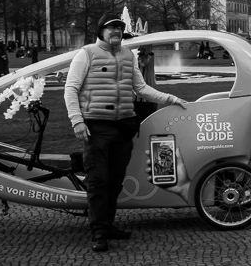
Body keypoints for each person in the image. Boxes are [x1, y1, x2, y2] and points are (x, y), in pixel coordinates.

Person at [65, 14, 187, 253]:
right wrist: (77, 121)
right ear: (101, 31)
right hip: (96, 128)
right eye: (112, 28)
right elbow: (71, 88)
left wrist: (170, 99)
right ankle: (99, 232)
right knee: (98, 180)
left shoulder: (128, 55)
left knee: (114, 181)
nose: (117, 31)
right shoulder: (87, 53)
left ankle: (108, 225)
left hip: (123, 128)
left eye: (120, 28)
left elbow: (140, 88)